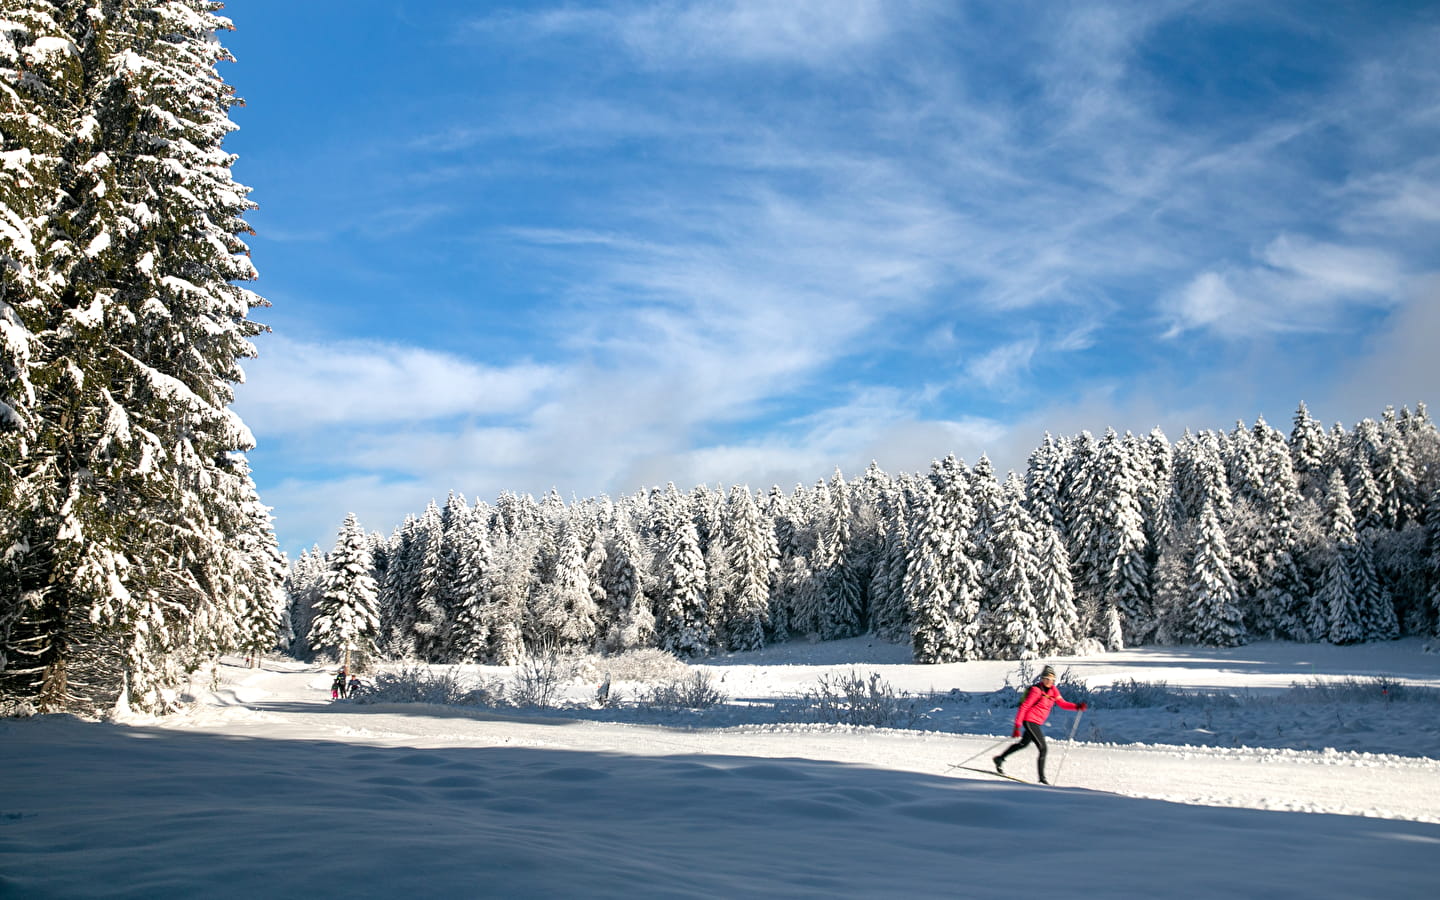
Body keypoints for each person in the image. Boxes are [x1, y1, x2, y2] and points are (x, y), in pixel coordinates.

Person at [993, 665, 1086, 784]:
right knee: (1043, 748)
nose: (1049, 682)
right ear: (1042, 679)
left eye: (1052, 680)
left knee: (1023, 744)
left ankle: (999, 759)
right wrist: (1017, 726)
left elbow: (1062, 703)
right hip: (1030, 720)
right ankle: (1042, 779)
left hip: (1037, 722)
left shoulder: (1053, 690)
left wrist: (1076, 706)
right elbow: (1024, 706)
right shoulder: (1036, 690)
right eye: (1047, 679)